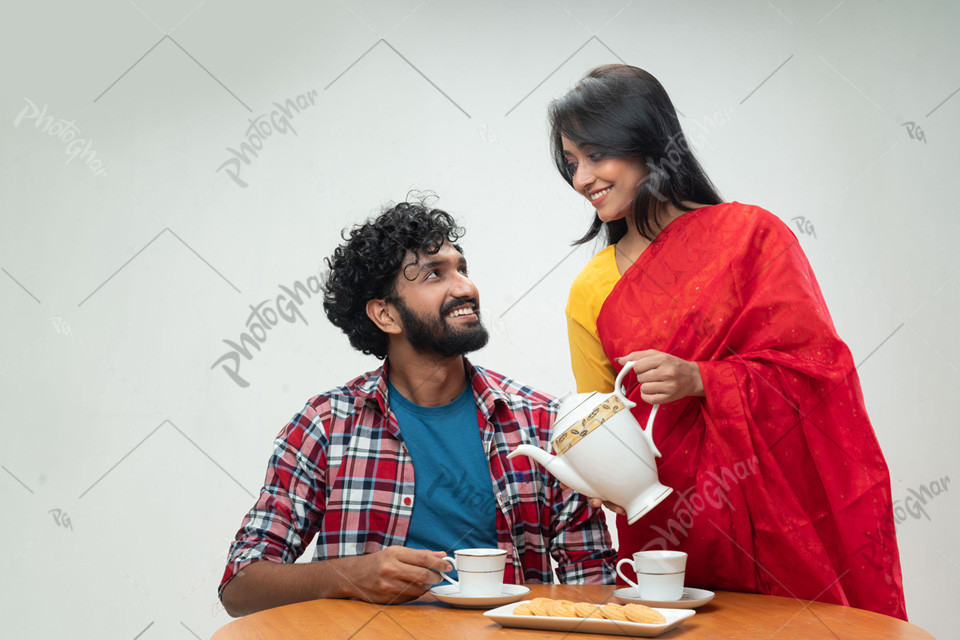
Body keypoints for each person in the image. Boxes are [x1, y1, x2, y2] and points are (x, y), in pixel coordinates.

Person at [548, 64, 907, 619]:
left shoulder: (749, 237)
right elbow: (601, 418)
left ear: (645, 141)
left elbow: (820, 374)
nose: (581, 178)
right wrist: (595, 473)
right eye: (571, 164)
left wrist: (702, 379)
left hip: (777, 523)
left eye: (595, 155)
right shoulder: (589, 289)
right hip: (666, 528)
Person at [218, 201, 614, 616]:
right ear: (386, 315)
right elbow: (241, 585)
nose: (464, 287)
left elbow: (595, 588)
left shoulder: (542, 423)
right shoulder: (324, 425)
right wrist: (350, 577)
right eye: (434, 274)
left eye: (462, 268)